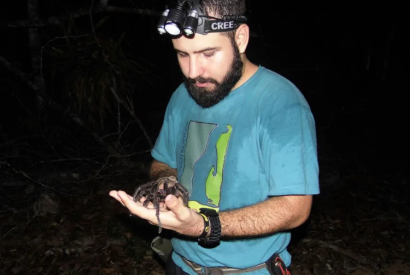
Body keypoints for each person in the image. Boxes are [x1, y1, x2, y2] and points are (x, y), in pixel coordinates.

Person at [109, 0, 319, 274]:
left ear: (240, 39)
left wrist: (204, 226)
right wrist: (166, 185)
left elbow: (296, 207)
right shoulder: (183, 95)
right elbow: (163, 162)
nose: (193, 71)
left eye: (208, 53)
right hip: (181, 264)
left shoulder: (281, 103)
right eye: (183, 55)